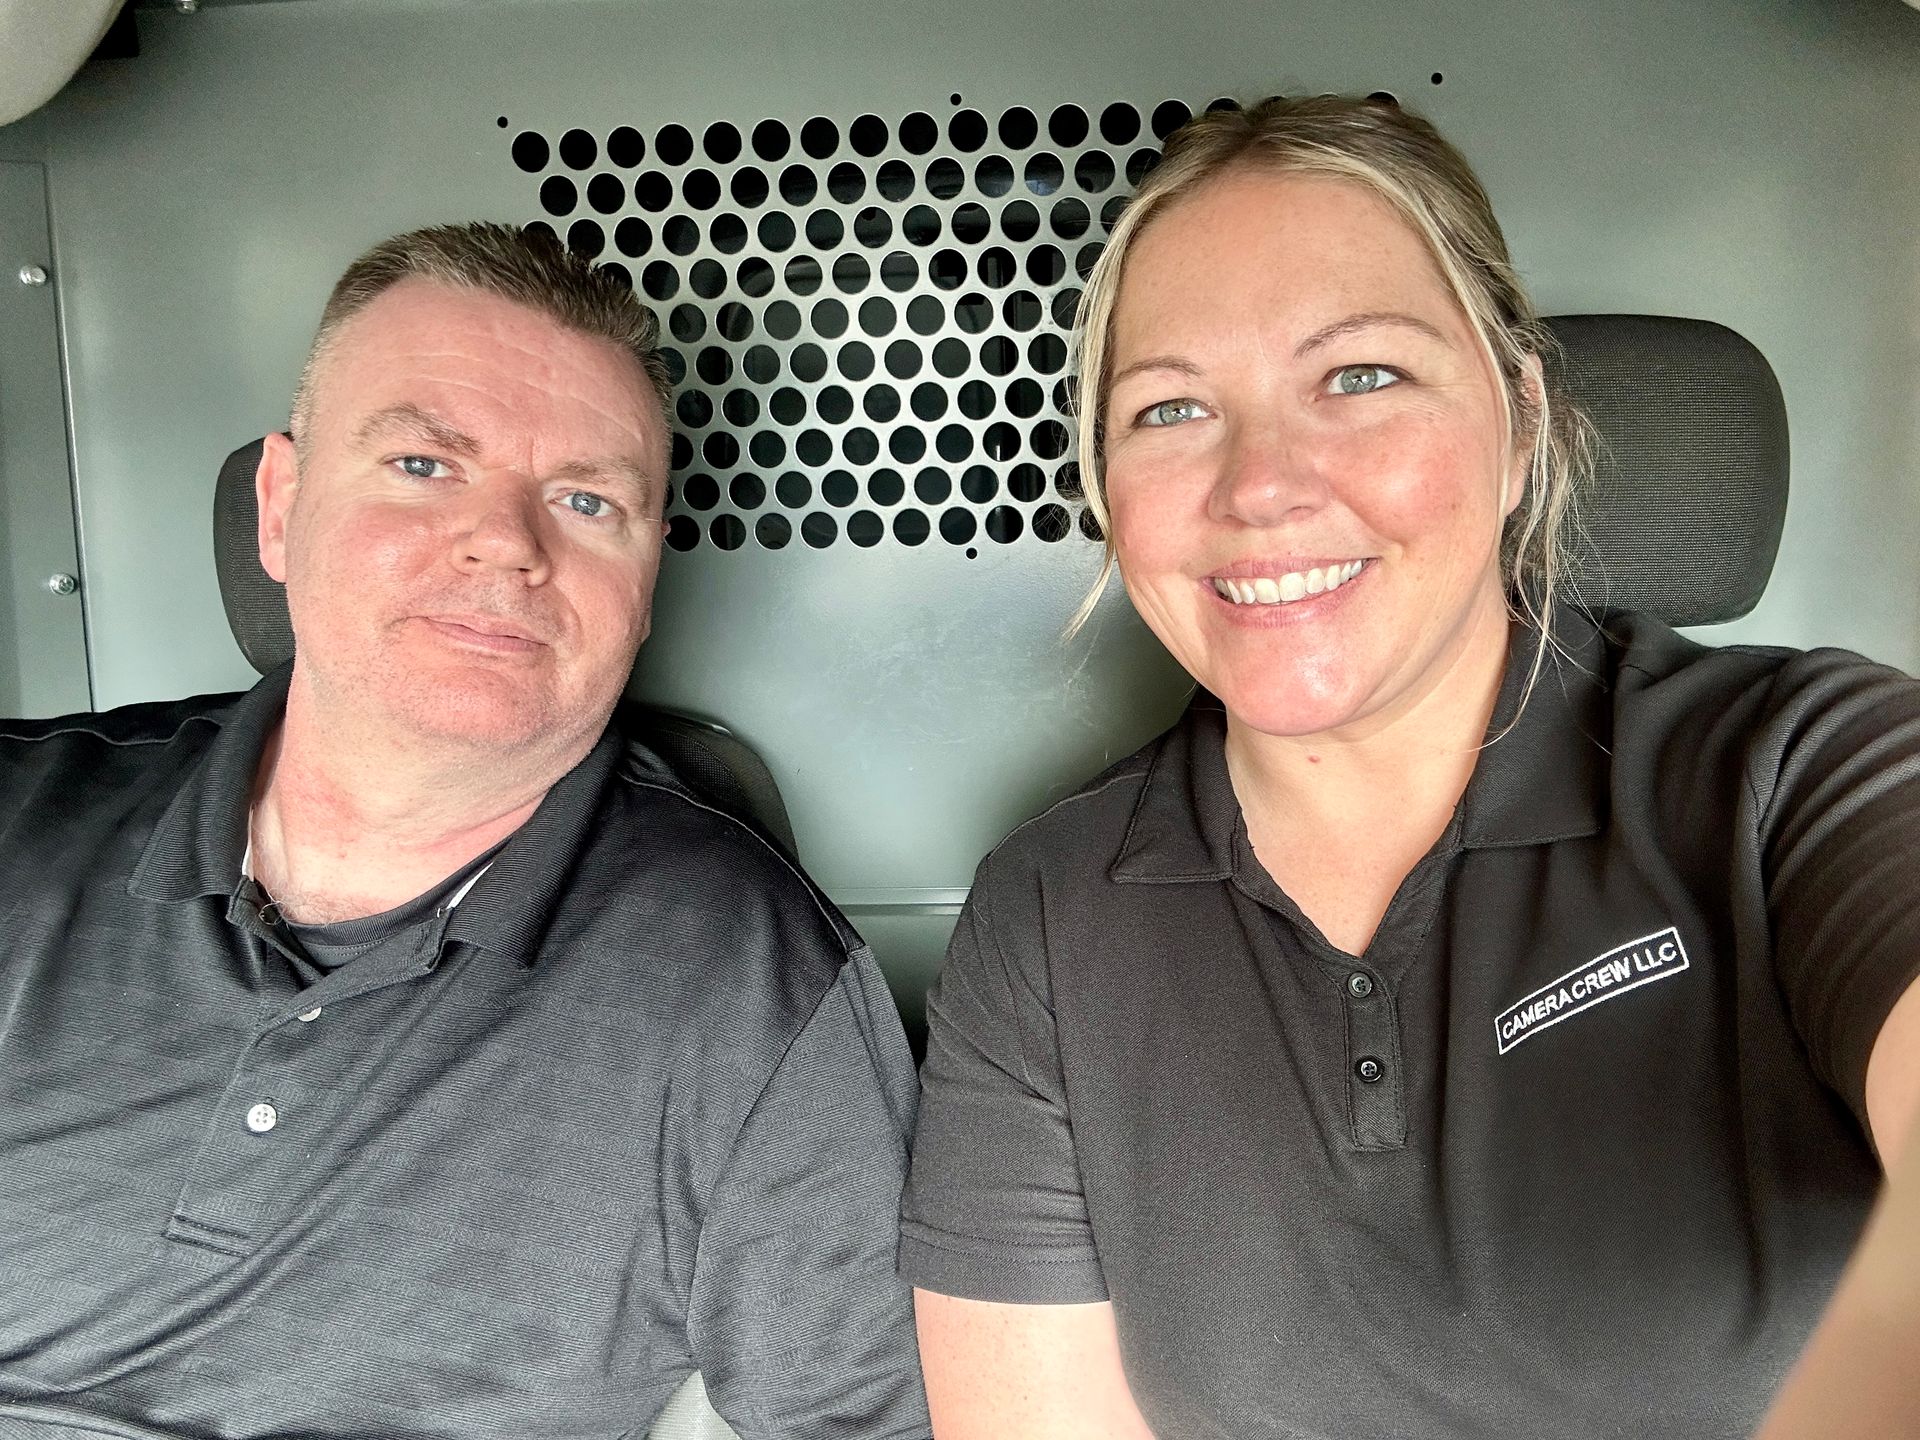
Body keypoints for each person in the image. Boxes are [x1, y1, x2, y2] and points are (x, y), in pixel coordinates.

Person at [900, 95, 1920, 1439]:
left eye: (1360, 377)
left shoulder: (1798, 772)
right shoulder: (1046, 916)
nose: (1261, 483)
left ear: (1519, 420)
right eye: (1171, 407)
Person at [0, 223, 930, 1440]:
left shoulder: (752, 986)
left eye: (588, 499)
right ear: (279, 507)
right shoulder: (24, 816)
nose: (509, 542)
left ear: (644, 581)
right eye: (425, 467)